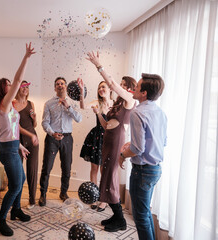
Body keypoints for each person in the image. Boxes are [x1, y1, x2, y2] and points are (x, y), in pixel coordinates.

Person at [0, 43, 35, 236]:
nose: (12, 86)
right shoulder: (4, 103)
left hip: (12, 146)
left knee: (20, 179)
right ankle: (0, 221)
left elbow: (13, 128)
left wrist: (20, 147)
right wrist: (26, 57)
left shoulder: (10, 107)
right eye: (8, 85)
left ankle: (15, 211)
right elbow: (18, 80)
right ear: (3, 89)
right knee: (15, 184)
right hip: (7, 150)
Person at [86, 51, 137, 232]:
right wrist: (99, 114)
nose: (119, 87)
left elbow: (112, 84)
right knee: (107, 176)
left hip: (116, 142)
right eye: (120, 85)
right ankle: (116, 216)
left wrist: (98, 65)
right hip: (108, 140)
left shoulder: (129, 100)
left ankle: (120, 220)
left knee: (109, 178)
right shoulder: (117, 104)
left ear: (130, 89)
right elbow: (106, 124)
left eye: (123, 86)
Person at [119, 73, 167, 240]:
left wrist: (122, 154)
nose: (134, 89)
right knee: (145, 214)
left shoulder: (137, 113)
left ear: (144, 93)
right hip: (155, 170)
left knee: (141, 217)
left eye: (137, 87)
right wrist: (131, 144)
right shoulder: (160, 113)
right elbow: (160, 141)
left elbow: (138, 149)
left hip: (142, 172)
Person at [38, 77, 82, 206]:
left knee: (67, 168)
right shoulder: (49, 103)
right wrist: (52, 133)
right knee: (47, 168)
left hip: (67, 139)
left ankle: (63, 193)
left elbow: (79, 119)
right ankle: (43, 194)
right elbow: (45, 122)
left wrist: (68, 107)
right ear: (54, 88)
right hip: (52, 138)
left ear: (66, 86)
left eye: (62, 83)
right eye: (57, 84)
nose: (60, 86)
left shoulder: (72, 103)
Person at [77, 78, 113, 212]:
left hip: (109, 139)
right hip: (96, 137)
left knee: (104, 170)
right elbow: (83, 106)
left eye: (103, 87)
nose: (101, 90)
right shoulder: (96, 103)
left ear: (109, 89)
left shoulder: (115, 104)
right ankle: (94, 196)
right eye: (99, 88)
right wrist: (81, 91)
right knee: (94, 168)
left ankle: (103, 199)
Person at [13, 80, 39, 209]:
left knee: (32, 170)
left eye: (27, 87)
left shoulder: (31, 104)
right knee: (18, 171)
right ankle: (15, 199)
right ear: (18, 89)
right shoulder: (13, 104)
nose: (26, 89)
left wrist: (34, 119)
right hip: (19, 141)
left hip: (33, 141)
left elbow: (34, 125)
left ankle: (32, 200)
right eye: (23, 86)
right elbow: (14, 126)